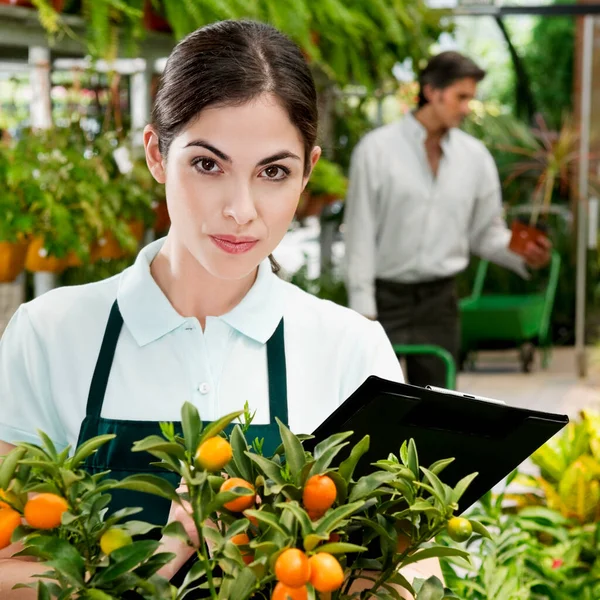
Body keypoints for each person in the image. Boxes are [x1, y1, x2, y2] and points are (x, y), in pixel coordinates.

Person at [0, 20, 440, 598]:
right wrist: (160, 557)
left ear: (307, 171)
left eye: (273, 172)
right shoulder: (50, 334)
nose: (241, 210)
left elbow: (405, 576)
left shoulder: (350, 347)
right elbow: (8, 572)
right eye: (208, 164)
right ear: (157, 154)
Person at [343, 51, 551, 389]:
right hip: (384, 299)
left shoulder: (475, 158)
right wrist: (363, 310)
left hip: (440, 302)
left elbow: (486, 233)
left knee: (438, 409)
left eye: (470, 98)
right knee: (376, 405)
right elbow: (360, 234)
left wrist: (522, 253)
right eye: (461, 97)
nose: (467, 107)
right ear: (431, 91)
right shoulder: (376, 150)